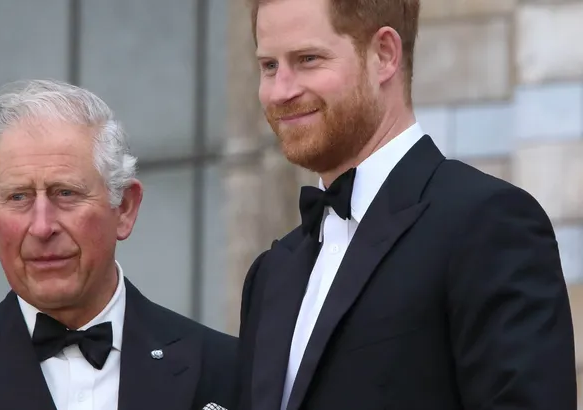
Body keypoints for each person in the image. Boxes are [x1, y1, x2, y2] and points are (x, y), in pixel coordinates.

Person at [236, 0, 577, 409]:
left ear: (384, 55)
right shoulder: (270, 273)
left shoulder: (487, 223)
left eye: (308, 59)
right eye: (269, 66)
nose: (280, 92)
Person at [0, 79, 237, 410]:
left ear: (124, 208)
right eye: (18, 197)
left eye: (66, 193)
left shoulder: (228, 371)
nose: (42, 227)